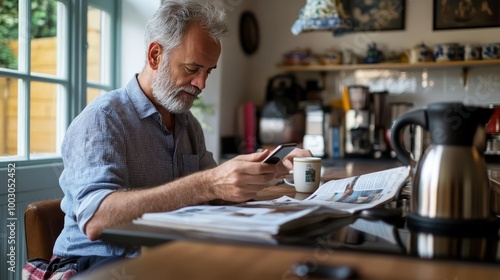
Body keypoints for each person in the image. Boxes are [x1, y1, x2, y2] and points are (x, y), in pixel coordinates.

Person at [23, 0, 311, 278]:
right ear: (155, 56)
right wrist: (209, 182)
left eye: (208, 71)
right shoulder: (104, 119)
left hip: (166, 254)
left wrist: (269, 169)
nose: (201, 84)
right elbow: (97, 219)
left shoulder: (189, 125)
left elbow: (214, 193)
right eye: (192, 69)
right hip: (96, 261)